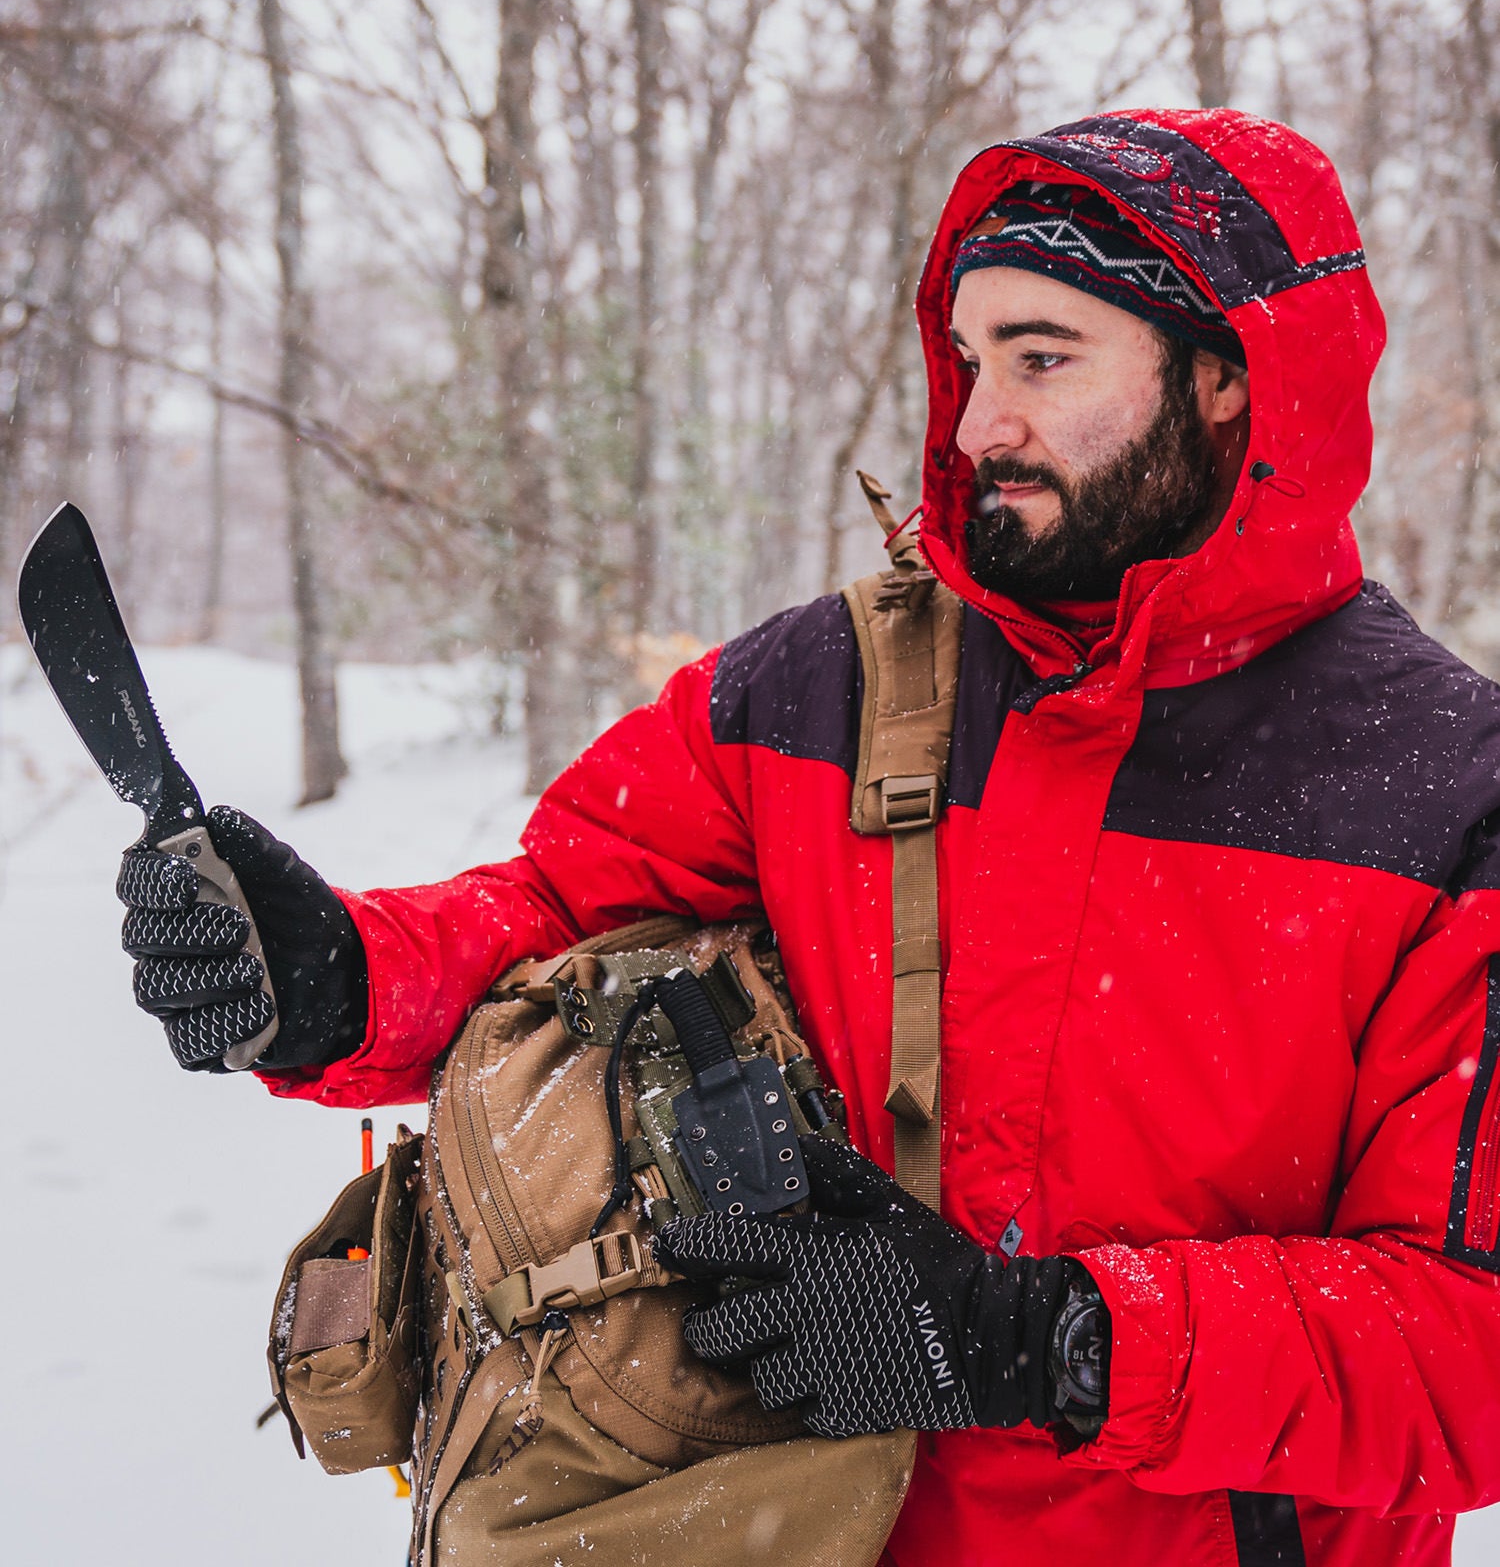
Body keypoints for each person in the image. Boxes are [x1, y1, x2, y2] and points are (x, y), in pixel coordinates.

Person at [117, 108, 1500, 1566]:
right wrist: (340, 977)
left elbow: (1471, 1346)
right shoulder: (824, 691)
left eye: (1042, 359)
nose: (977, 426)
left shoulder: (1441, 792)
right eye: (970, 362)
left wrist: (1047, 1342)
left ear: (1230, 377)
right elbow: (556, 912)